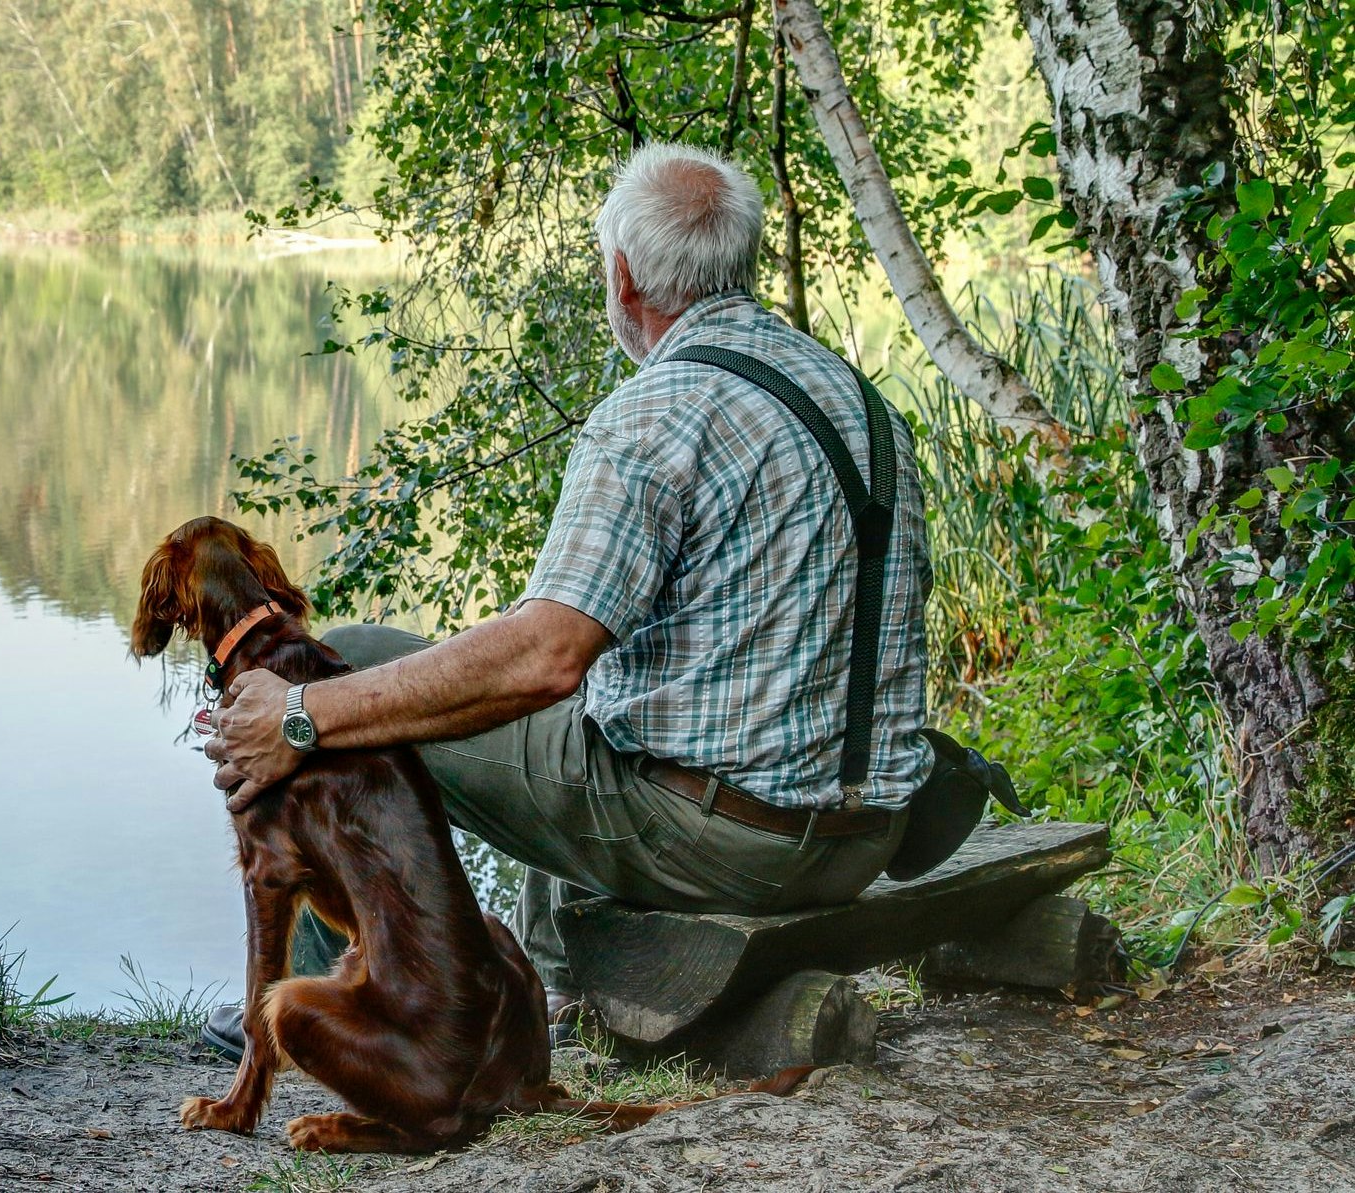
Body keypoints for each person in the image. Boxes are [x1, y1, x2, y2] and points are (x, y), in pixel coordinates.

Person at [200, 141, 933, 1050]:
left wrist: (303, 714)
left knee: (338, 666)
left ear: (622, 278)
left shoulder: (655, 411)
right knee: (584, 702)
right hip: (863, 839)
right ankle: (550, 984)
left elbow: (544, 659)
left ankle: (330, 1005)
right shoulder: (861, 402)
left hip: (735, 848)